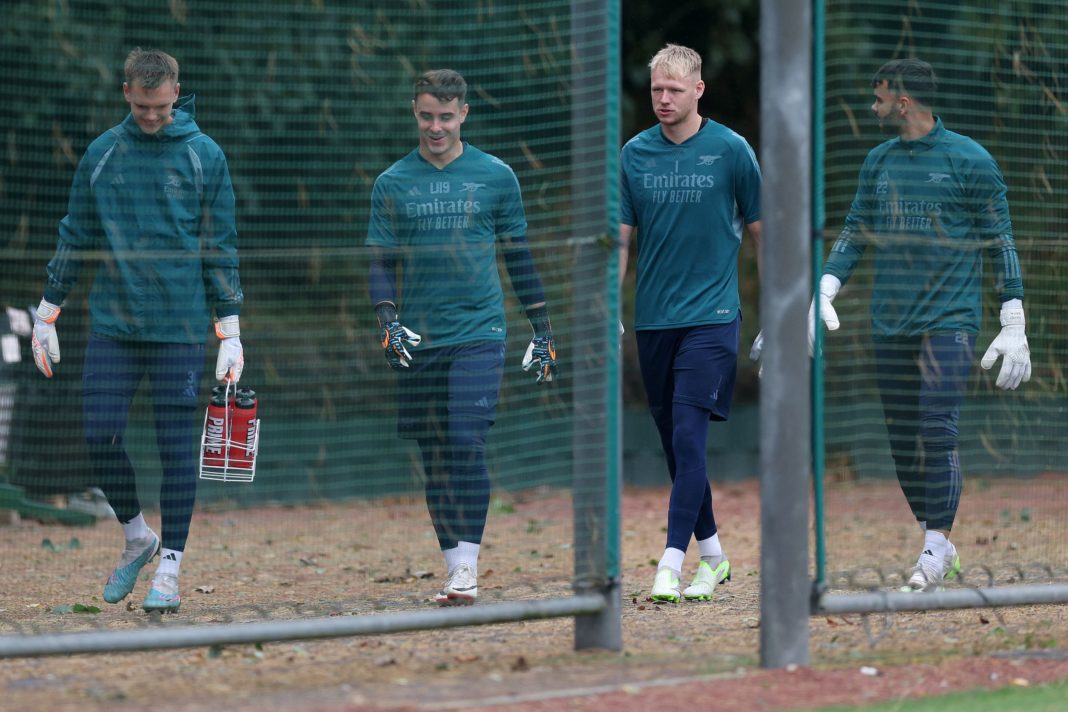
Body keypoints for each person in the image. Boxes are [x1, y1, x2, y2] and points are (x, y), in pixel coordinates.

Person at [31, 48, 244, 612]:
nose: (152, 115)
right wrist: (49, 307)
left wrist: (230, 326)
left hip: (179, 325)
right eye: (143, 104)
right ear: (126, 91)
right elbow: (75, 231)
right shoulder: (104, 152)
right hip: (114, 323)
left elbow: (220, 244)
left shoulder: (205, 155)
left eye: (162, 105)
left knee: (177, 450)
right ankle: (136, 537)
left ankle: (169, 567)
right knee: (99, 434)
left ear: (177, 93)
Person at [809, 58, 1030, 592]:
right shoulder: (877, 161)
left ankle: (933, 543)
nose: (873, 107)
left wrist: (1013, 313)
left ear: (903, 102)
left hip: (949, 321)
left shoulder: (970, 160)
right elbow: (855, 230)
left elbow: (1000, 237)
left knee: (939, 429)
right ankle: (941, 543)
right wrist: (827, 286)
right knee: (903, 443)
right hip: (889, 323)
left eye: (880, 98)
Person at [367, 69, 557, 606]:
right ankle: (453, 567)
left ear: (464, 114)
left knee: (466, 440)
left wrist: (541, 326)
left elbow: (518, 256)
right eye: (427, 115)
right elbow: (380, 260)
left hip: (481, 330)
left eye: (446, 117)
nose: (435, 126)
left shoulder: (496, 175)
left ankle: (469, 566)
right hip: (420, 338)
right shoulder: (392, 182)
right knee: (435, 452)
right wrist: (386, 317)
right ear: (415, 111)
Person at [619, 45, 763, 603]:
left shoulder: (731, 151)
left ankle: (670, 562)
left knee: (688, 433)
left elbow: (761, 231)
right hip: (654, 320)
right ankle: (716, 558)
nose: (663, 98)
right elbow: (621, 242)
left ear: (698, 90)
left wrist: (775, 313)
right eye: (657, 88)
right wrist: (611, 309)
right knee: (680, 451)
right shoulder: (633, 154)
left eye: (674, 89)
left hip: (713, 317)